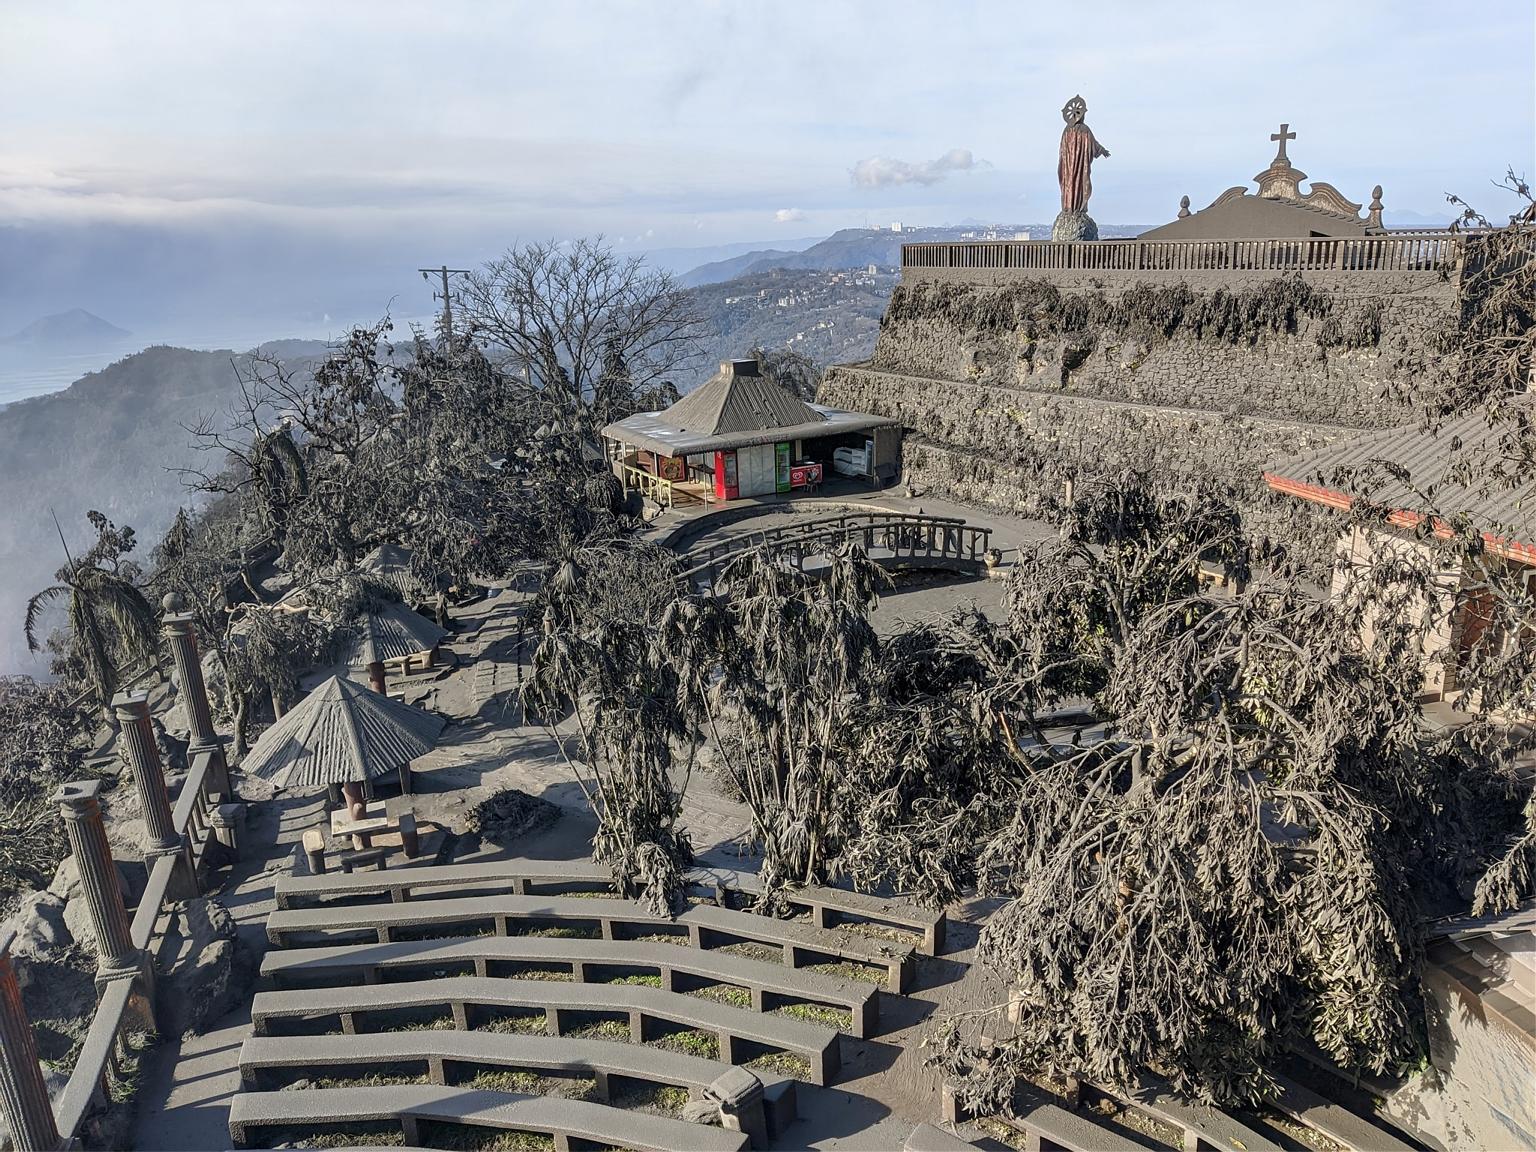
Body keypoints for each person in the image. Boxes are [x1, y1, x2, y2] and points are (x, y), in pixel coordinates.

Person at [1058, 95, 1110, 215]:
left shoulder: (1066, 130)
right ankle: (1076, 207)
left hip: (1068, 167)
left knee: (1070, 183)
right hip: (1079, 166)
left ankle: (1069, 206)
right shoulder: (1084, 129)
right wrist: (1102, 151)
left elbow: (1062, 151)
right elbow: (1093, 143)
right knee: (1080, 182)